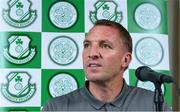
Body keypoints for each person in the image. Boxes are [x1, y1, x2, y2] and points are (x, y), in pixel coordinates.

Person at [42, 19, 170, 111]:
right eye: (87, 45)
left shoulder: (154, 105)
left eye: (105, 46)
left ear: (125, 60)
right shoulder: (56, 107)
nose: (92, 53)